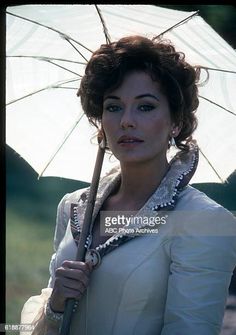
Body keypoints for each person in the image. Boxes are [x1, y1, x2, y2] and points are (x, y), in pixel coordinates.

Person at [20, 35, 236, 335]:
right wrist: (55, 306)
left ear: (176, 121)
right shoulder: (73, 206)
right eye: (113, 107)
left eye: (145, 107)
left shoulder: (205, 221)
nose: (126, 121)